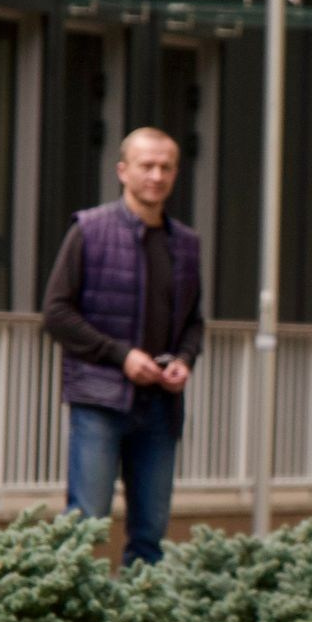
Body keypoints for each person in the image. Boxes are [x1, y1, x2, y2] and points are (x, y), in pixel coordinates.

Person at [41, 127, 204, 568]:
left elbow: (194, 322)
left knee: (151, 533)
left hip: (160, 405)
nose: (157, 175)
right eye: (146, 165)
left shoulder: (186, 244)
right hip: (99, 399)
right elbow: (56, 314)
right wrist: (121, 355)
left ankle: (143, 609)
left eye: (166, 167)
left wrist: (184, 360)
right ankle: (74, 610)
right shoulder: (89, 230)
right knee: (85, 524)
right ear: (122, 171)